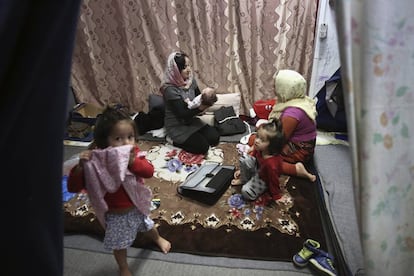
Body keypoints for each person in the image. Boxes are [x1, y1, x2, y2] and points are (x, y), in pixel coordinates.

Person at [67, 106, 171, 276]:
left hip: (137, 205)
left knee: (148, 225)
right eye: (118, 138)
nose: (126, 143)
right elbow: (73, 187)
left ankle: (158, 239)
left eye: (130, 137)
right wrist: (80, 168)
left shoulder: (134, 154)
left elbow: (149, 171)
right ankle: (123, 267)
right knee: (119, 245)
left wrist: (132, 162)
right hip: (115, 214)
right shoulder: (97, 160)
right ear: (104, 141)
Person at [232, 120, 315, 205]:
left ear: (271, 145)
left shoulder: (272, 164)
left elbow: (273, 180)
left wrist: (276, 196)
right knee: (245, 159)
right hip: (258, 169)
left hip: (264, 178)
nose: (256, 141)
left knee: (246, 192)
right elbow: (253, 155)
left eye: (262, 140)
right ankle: (244, 179)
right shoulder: (260, 149)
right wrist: (244, 171)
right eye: (257, 136)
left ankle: (251, 184)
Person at [160, 51, 220, 154]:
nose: (188, 70)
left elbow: (199, 97)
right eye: (184, 67)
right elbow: (183, 114)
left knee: (214, 138)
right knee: (202, 147)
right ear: (175, 70)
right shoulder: (170, 89)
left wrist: (208, 98)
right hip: (177, 125)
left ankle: (193, 137)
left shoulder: (191, 81)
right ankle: (172, 140)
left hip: (191, 121)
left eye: (189, 65)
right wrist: (201, 108)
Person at [268, 69, 317, 166]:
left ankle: (295, 170)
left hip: (300, 152)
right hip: (304, 145)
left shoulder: (292, 113)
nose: (273, 89)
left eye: (276, 86)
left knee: (261, 154)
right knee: (257, 140)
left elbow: (279, 140)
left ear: (285, 88)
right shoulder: (301, 100)